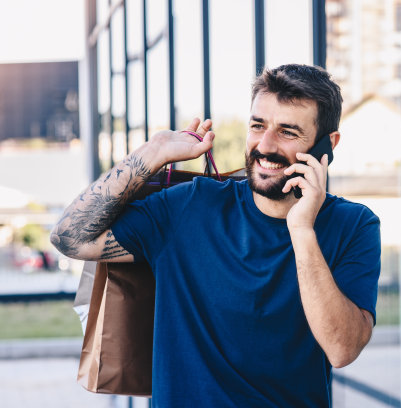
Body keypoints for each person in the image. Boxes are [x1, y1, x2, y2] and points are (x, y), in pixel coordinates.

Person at [51, 64, 381, 407]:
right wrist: (153, 152)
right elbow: (69, 238)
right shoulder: (190, 205)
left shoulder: (354, 225)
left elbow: (342, 349)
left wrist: (301, 229)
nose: (264, 145)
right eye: (257, 126)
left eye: (287, 131)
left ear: (328, 144)